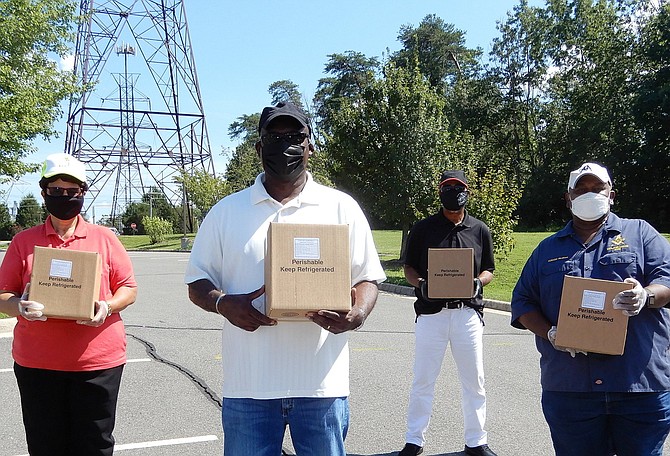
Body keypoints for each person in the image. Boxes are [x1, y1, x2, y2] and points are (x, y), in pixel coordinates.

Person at [184, 101, 386, 455]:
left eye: (294, 136)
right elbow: (197, 282)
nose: (285, 146)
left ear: (310, 144)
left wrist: (358, 314)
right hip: (249, 387)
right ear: (259, 148)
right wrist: (221, 303)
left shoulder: (340, 207)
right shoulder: (226, 212)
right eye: (273, 138)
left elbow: (368, 277)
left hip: (322, 385)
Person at [511, 162, 670, 456]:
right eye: (581, 189)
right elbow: (522, 302)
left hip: (638, 384)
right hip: (571, 389)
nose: (589, 194)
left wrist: (645, 295)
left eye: (597, 188)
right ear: (568, 197)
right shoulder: (547, 249)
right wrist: (552, 333)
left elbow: (667, 279)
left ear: (612, 195)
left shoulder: (641, 234)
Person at [0, 153, 138, 456]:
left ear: (83, 193)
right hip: (38, 365)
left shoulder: (105, 239)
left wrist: (107, 306)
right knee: (45, 445)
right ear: (44, 193)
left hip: (97, 364)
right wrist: (19, 306)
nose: (64, 197)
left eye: (71, 191)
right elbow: (3, 294)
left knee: (95, 444)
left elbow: (128, 288)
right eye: (56, 191)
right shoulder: (24, 242)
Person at [398, 170, 497, 456]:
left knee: (474, 381)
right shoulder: (423, 228)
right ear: (440, 192)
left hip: (467, 314)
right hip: (432, 314)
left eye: (459, 187)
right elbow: (409, 268)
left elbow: (489, 269)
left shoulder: (480, 230)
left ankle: (477, 441)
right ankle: (414, 440)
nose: (453, 191)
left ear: (467, 192)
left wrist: (479, 282)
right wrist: (421, 285)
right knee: (423, 379)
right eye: (448, 187)